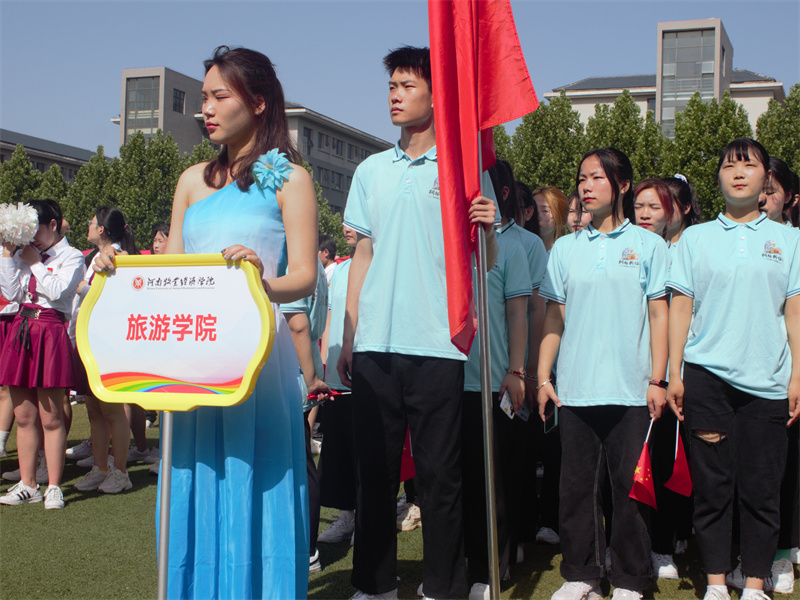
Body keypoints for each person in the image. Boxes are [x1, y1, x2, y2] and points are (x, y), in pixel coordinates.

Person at [95, 45, 316, 599]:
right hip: (191, 358)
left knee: (255, 471)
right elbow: (170, 270)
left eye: (220, 96)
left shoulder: (291, 179)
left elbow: (305, 276)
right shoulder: (192, 179)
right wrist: (120, 269)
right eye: (203, 98)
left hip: (257, 357)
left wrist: (259, 283)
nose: (207, 109)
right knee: (192, 473)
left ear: (258, 102)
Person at [337, 45, 497, 600]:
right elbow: (362, 255)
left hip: (437, 343)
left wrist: (489, 227)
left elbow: (486, 263)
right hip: (376, 343)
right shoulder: (371, 170)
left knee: (439, 479)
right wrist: (350, 335)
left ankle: (441, 587)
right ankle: (374, 585)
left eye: (407, 85)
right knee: (375, 475)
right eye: (391, 86)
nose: (395, 96)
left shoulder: (464, 169)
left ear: (436, 93)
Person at [667, 138, 800, 600]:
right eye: (729, 165)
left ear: (766, 179)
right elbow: (681, 307)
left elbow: (794, 312)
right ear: (718, 177)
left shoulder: (790, 240)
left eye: (749, 165)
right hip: (707, 379)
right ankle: (717, 583)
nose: (738, 172)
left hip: (769, 382)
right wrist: (674, 372)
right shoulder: (695, 239)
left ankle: (756, 583)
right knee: (713, 488)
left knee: (762, 490)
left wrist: (798, 374)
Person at [538, 148, 670, 600]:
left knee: (629, 490)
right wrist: (543, 377)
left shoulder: (649, 246)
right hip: (575, 391)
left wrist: (658, 379)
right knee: (575, 489)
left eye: (596, 177)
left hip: (631, 390)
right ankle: (582, 574)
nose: (586, 186)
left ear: (622, 184)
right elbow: (554, 318)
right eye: (582, 178)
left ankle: (631, 578)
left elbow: (659, 315)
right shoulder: (566, 249)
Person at [0, 199, 85, 509]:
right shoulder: (26, 253)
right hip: (21, 328)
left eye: (36, 230)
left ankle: (53, 486)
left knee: (51, 417)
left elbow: (59, 292)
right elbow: (11, 294)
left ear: (53, 225)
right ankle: (28, 484)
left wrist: (35, 262)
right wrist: (8, 255)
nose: (32, 237)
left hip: (50, 331)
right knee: (24, 416)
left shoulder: (72, 256)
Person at [72, 206, 141, 494]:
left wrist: (82, 289)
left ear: (102, 229)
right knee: (94, 410)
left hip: (107, 342)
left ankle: (120, 472)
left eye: (92, 223)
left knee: (111, 410)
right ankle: (100, 468)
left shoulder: (118, 257)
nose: (88, 226)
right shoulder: (97, 257)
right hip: (89, 338)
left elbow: (117, 295)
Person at [317, 225, 358, 545]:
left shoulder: (382, 267)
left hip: (366, 374)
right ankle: (347, 518)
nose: (347, 228)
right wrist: (323, 364)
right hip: (336, 378)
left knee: (367, 455)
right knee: (339, 453)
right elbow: (330, 317)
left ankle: (369, 521)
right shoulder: (341, 270)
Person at [759, 157, 799, 225]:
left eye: (769, 192)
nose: (760, 199)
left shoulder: (792, 232)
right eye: (754, 192)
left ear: (787, 196)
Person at [533, 186, 569, 252]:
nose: (537, 216)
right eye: (534, 209)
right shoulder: (521, 248)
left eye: (545, 211)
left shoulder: (566, 253)